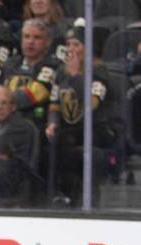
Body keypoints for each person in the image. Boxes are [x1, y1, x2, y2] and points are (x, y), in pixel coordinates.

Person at [45, 25, 115, 206]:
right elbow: (54, 104)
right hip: (69, 131)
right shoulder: (61, 73)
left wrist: (76, 76)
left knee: (68, 148)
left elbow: (91, 105)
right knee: (47, 141)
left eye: (76, 44)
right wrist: (52, 123)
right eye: (68, 45)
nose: (71, 49)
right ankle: (54, 195)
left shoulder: (99, 72)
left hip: (95, 131)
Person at [0, 18, 61, 133]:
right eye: (26, 37)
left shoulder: (52, 66)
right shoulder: (10, 63)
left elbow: (33, 95)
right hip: (2, 125)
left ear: (48, 42)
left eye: (37, 37)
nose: (30, 42)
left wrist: (0, 101)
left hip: (33, 127)